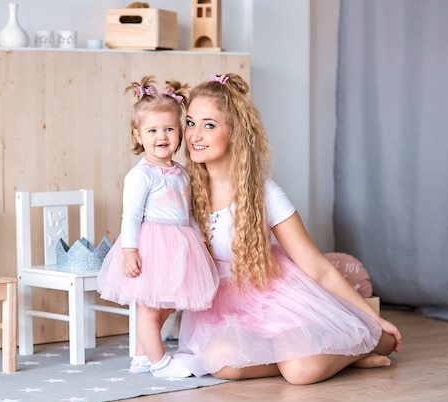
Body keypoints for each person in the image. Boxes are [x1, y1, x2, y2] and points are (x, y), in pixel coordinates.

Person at [171, 73, 402, 384]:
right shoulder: (181, 188)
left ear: (234, 133)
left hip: (269, 296)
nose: (194, 135)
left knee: (300, 373)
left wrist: (372, 318)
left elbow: (317, 268)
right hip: (218, 308)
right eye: (190, 122)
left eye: (209, 125)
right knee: (224, 365)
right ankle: (326, 357)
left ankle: (363, 345)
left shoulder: (264, 193)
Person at [97, 76, 219, 378]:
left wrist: (201, 240)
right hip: (152, 245)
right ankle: (159, 362)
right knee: (150, 309)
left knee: (166, 307)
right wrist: (129, 251)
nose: (161, 136)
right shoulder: (141, 175)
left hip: (180, 243)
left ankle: (140, 357)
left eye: (169, 129)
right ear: (138, 135)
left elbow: (185, 211)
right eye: (152, 130)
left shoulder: (180, 172)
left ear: (179, 134)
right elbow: (130, 216)